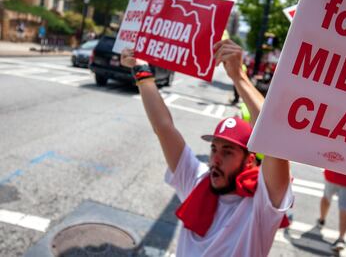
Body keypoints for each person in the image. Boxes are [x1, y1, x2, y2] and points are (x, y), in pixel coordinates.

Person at [120, 39, 293, 256]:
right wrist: (142, 70)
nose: (216, 159)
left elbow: (274, 138)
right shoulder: (198, 180)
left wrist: (238, 77)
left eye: (228, 151)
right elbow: (164, 128)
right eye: (214, 149)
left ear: (249, 160)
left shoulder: (260, 205)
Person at [317, 170, 346, 252]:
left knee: (326, 198)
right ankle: (341, 239)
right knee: (345, 208)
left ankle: (321, 220)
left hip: (333, 174)